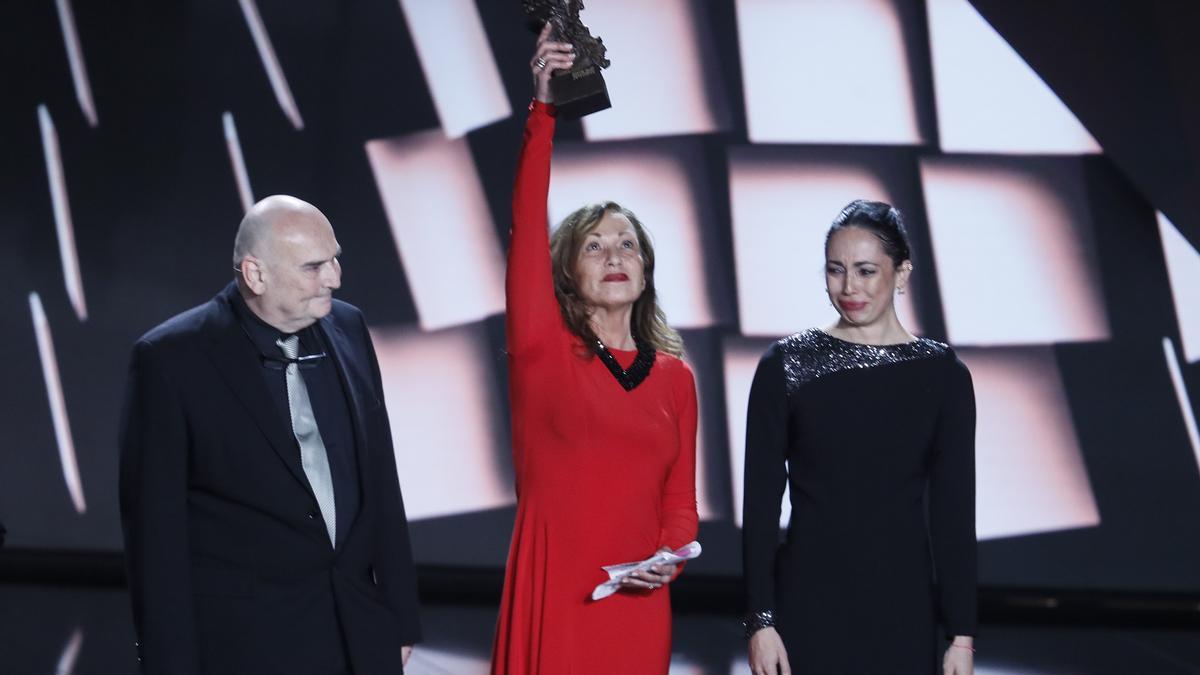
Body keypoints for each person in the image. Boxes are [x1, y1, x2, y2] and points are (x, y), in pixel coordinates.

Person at [118, 195, 420, 675]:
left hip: (358, 630)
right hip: (245, 642)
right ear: (255, 274)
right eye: (314, 266)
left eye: (335, 259)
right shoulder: (172, 358)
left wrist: (402, 619)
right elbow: (156, 535)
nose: (335, 278)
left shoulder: (349, 327)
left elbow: (381, 475)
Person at [489, 26, 699, 675]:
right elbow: (527, 222)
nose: (615, 255)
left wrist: (671, 554)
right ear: (566, 275)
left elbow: (679, 503)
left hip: (637, 608)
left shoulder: (676, 378)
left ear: (647, 271)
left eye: (628, 244)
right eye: (594, 245)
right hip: (556, 599)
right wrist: (543, 111)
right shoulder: (541, 350)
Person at [742, 200, 977, 675]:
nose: (848, 287)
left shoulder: (943, 374)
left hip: (903, 610)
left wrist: (962, 635)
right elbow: (760, 507)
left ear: (902, 272)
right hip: (806, 607)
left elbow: (954, 513)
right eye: (836, 270)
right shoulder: (786, 365)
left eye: (866, 271)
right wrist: (760, 622)